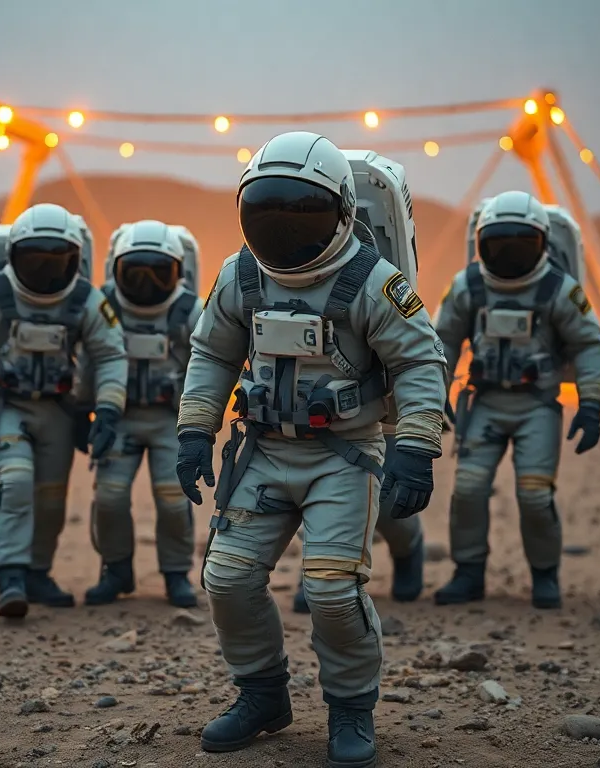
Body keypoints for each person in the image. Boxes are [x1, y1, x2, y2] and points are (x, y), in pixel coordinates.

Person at [175, 130, 448, 768]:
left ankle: (352, 708)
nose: (285, 233)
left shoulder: (373, 284)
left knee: (330, 588)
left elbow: (420, 361)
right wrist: (195, 430)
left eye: (303, 215)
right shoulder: (241, 274)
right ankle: (262, 694)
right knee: (228, 577)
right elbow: (212, 352)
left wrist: (415, 447)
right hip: (264, 452)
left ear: (343, 214)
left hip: (343, 457)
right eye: (266, 215)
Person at [0, 202, 127, 618]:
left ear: (74, 260)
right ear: (13, 258)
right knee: (17, 480)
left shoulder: (85, 300)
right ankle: (11, 576)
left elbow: (111, 354)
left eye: (57, 261)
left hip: (58, 409)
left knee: (51, 497)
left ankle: (38, 572)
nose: (46, 272)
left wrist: (106, 409)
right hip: (7, 404)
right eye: (35, 261)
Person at [431, 190, 600, 610]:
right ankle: (468, 572)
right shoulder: (468, 285)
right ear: (481, 245)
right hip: (487, 403)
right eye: (498, 244)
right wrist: (436, 393)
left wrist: (591, 403)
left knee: (534, 493)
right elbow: (443, 341)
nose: (509, 255)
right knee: (469, 489)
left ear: (543, 243)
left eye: (520, 245)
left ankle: (545, 575)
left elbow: (588, 344)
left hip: (536, 406)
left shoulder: (558, 290)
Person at [81, 220, 203, 608]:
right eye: (135, 273)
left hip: (171, 419)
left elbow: (211, 361)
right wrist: (83, 411)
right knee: (110, 497)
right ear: (116, 270)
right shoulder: (105, 306)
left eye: (158, 272)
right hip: (119, 416)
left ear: (178, 272)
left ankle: (176, 574)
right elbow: (89, 361)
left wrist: (202, 418)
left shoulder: (190, 310)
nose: (147, 282)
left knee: (172, 498)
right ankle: (115, 570)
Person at [290, 432, 426, 612]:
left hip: (378, 419)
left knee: (385, 500)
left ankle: (408, 546)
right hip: (315, 423)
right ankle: (319, 570)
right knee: (319, 493)